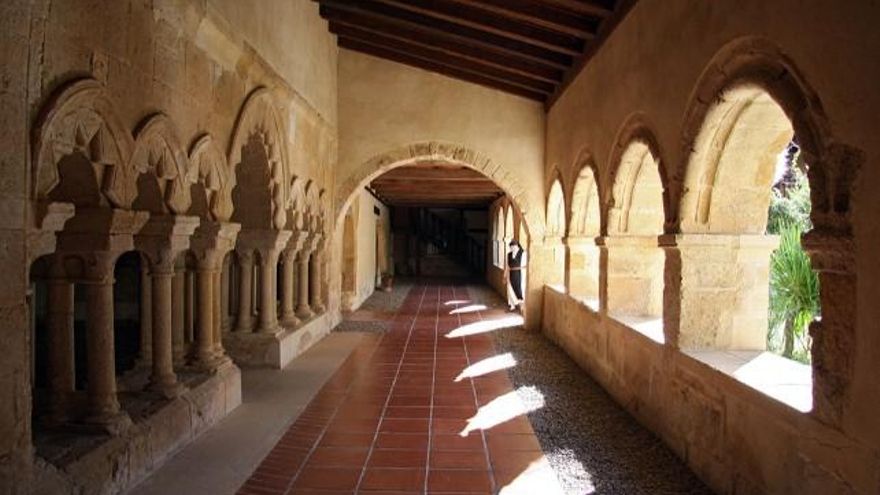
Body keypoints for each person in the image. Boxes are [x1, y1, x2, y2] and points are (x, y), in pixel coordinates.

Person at [506, 240, 526, 311]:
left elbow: (525, 265)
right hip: (511, 273)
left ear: (517, 246)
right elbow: (507, 266)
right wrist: (505, 275)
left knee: (520, 288)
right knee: (510, 288)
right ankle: (512, 305)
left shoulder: (523, 253)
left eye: (513, 246)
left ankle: (521, 305)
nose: (512, 248)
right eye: (511, 247)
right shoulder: (509, 255)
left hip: (520, 273)